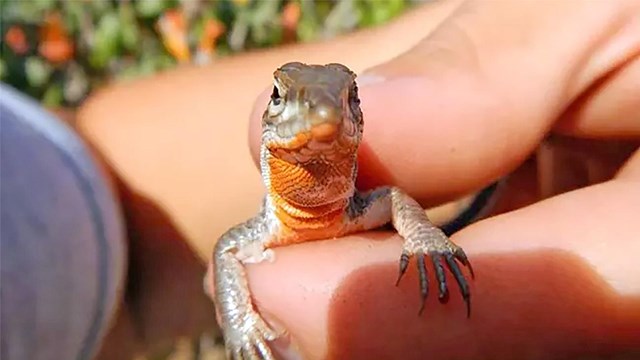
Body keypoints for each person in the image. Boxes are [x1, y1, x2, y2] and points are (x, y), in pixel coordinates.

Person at [3, 1, 638, 359]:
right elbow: (227, 250)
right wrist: (240, 321)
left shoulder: (366, 196)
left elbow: (110, 226)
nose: (322, 113)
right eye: (286, 98)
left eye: (348, 99)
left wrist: (424, 236)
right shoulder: (272, 224)